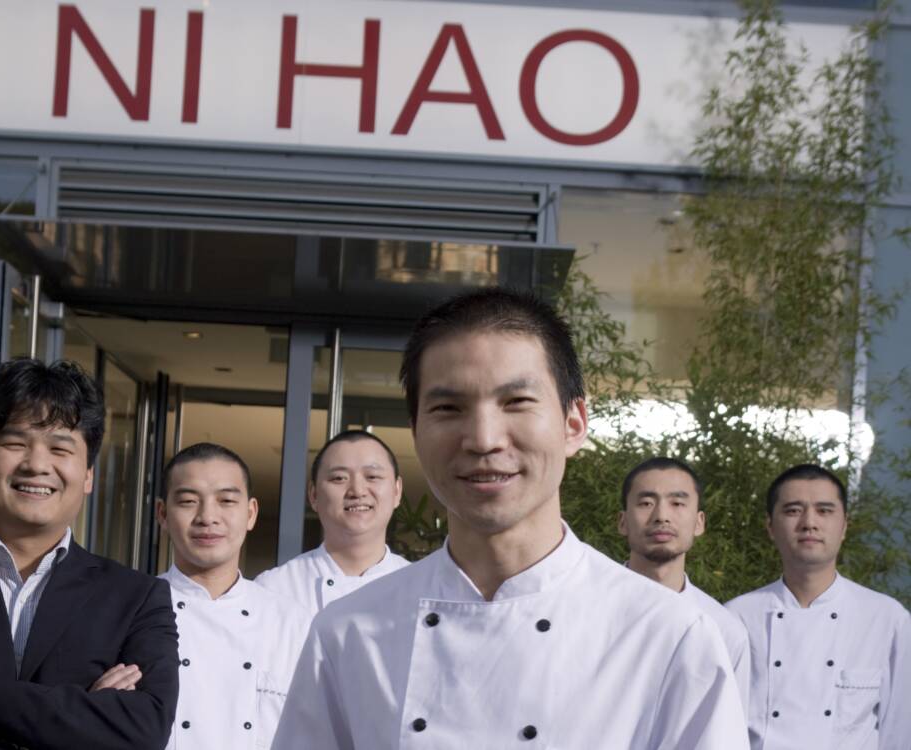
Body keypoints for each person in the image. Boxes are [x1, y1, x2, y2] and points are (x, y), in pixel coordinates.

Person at [272, 288, 748, 749]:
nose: (483, 439)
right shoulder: (349, 632)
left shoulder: (668, 635)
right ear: (416, 432)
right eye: (447, 408)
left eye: (516, 402)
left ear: (573, 424)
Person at [0, 358, 178, 750]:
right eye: (15, 442)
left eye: (60, 447)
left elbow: (144, 728)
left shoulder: (137, 599)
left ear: (88, 475)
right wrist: (83, 716)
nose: (37, 464)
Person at [727, 464, 911, 750]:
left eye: (824, 511)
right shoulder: (736, 617)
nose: (809, 522)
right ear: (770, 527)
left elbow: (900, 730)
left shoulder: (887, 618)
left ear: (844, 526)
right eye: (792, 510)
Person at [156, 442, 310, 750]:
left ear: (250, 513)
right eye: (188, 501)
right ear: (162, 514)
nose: (207, 517)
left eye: (226, 500)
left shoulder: (293, 623)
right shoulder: (132, 611)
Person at [618, 456, 750, 711]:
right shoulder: (586, 608)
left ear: (699, 522)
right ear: (622, 521)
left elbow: (727, 733)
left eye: (677, 503)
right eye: (646, 503)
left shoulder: (724, 630)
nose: (661, 516)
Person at [255, 429, 408, 615]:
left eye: (372, 477)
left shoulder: (421, 586)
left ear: (397, 491)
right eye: (339, 478)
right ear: (313, 494)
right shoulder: (274, 588)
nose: (357, 491)